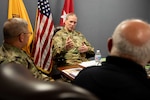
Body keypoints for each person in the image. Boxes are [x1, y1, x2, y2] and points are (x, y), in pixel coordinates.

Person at [72, 19, 150, 100]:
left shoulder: (84, 77)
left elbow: (91, 50)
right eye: (71, 21)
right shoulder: (145, 90)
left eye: (74, 22)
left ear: (110, 45)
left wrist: (87, 49)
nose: (73, 24)